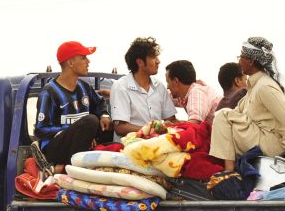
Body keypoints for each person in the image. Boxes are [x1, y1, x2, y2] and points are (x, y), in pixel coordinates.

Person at [210, 37, 285, 173]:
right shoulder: (254, 86)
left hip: (270, 143)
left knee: (222, 115)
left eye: (241, 57)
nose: (239, 61)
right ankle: (230, 167)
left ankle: (229, 170)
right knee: (225, 117)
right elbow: (237, 113)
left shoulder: (265, 86)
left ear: (251, 61)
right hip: (260, 138)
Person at [32, 41, 111, 175]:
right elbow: (40, 129)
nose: (88, 61)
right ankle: (66, 169)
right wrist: (78, 131)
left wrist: (104, 115)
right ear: (70, 63)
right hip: (56, 148)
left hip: (79, 144)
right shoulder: (49, 92)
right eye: (83, 57)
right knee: (90, 121)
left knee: (109, 125)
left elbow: (99, 103)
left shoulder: (84, 87)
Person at [110, 36, 177, 141]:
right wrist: (151, 129)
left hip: (157, 144)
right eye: (154, 57)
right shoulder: (121, 86)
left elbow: (171, 119)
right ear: (140, 62)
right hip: (130, 146)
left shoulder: (159, 86)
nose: (158, 61)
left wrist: (190, 125)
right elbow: (120, 127)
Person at [165, 60, 221, 124]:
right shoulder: (186, 93)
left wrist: (173, 126)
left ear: (176, 81)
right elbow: (164, 96)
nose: (167, 87)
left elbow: (194, 125)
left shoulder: (197, 93)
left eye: (168, 82)